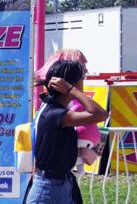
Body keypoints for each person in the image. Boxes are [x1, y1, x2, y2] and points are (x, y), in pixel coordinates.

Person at [30, 59, 108, 204]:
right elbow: (100, 114)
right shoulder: (57, 114)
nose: (83, 84)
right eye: (81, 79)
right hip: (49, 190)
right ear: (70, 84)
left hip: (60, 184)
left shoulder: (53, 109)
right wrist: (72, 90)